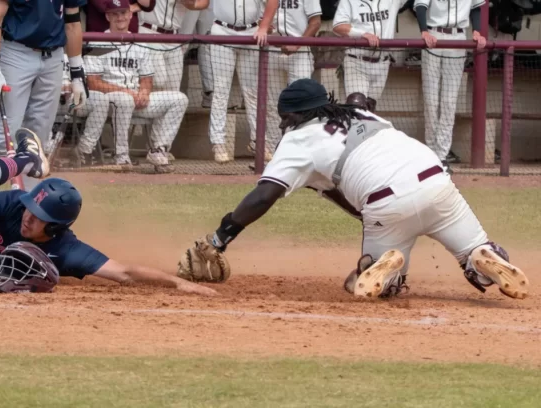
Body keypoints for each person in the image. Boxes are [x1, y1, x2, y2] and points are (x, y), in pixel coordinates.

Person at [176, 79, 529, 300]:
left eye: (286, 118)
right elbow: (339, 176)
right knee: (474, 249)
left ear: (293, 116)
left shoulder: (298, 140)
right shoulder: (361, 114)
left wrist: (222, 236)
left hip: (388, 204)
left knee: (366, 285)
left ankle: (383, 270)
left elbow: (263, 196)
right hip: (437, 181)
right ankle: (481, 259)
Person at [0, 128, 216, 297]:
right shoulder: (16, 202)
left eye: (39, 216)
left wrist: (177, 284)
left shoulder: (66, 249)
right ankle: (26, 161)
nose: (29, 216)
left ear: (57, 227)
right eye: (31, 207)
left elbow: (125, 272)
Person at [0, 0, 88, 192]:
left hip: (53, 57)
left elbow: (72, 21)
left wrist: (77, 73)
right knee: (1, 137)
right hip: (16, 51)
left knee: (37, 140)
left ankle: (28, 206)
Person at [76, 0, 189, 171]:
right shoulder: (98, 41)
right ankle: (121, 156)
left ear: (130, 14)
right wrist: (127, 91)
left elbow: (147, 78)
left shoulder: (140, 42)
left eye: (123, 13)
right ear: (108, 16)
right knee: (124, 99)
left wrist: (144, 92)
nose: (119, 17)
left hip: (136, 97)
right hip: (109, 100)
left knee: (179, 99)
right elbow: (93, 83)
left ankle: (159, 149)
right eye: (115, 14)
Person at [414, 0, 486, 172]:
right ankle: (432, 154)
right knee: (431, 101)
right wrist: (423, 30)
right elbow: (420, 6)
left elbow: (476, 7)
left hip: (458, 37)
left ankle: (442, 156)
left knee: (449, 101)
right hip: (433, 35)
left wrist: (477, 30)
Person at [208, 0, 277, 164]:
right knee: (221, 90)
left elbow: (273, 2)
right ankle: (218, 142)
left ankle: (258, 140)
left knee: (252, 91)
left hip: (251, 31)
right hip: (222, 30)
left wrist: (264, 26)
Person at [255, 0, 322, 161]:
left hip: (300, 52)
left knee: (303, 104)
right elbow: (259, 20)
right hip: (272, 50)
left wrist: (297, 44)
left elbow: (316, 22)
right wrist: (267, 26)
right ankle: (271, 152)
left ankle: (301, 152)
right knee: (271, 103)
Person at [331, 0, 409, 112]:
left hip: (382, 64)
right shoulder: (348, 1)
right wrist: (362, 34)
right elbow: (338, 26)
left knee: (370, 108)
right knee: (357, 107)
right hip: (357, 61)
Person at [136, 0, 209, 92]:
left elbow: (204, 2)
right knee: (158, 81)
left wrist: (190, 3)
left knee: (173, 88)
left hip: (174, 36)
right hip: (150, 31)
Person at [86, 0, 156, 32]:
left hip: (129, 35)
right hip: (102, 37)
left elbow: (149, 5)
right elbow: (103, 5)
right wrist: (127, 9)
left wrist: (132, 7)